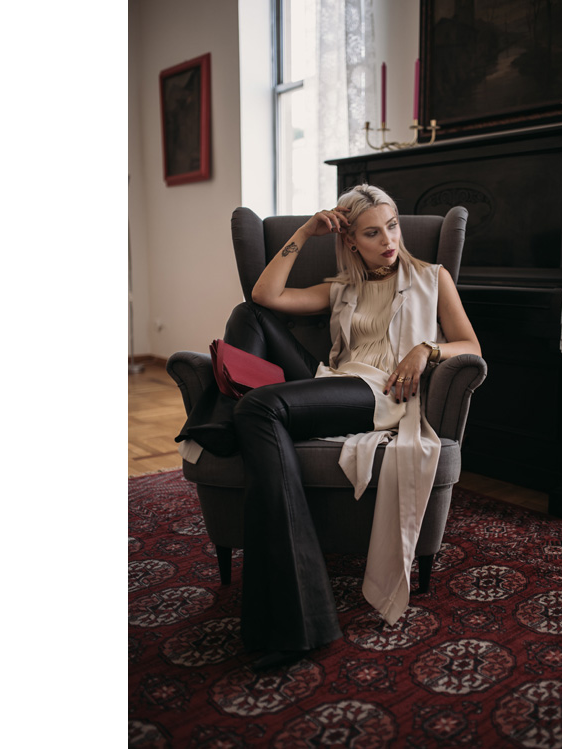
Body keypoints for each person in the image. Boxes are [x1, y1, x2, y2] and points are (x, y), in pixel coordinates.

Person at [178, 184, 481, 670]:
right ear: (350, 241)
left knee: (257, 408)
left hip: (379, 393)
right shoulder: (342, 288)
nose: (388, 240)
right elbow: (264, 294)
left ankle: (225, 423)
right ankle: (232, 418)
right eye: (372, 233)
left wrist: (426, 350)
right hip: (332, 381)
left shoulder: (433, 277)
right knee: (248, 313)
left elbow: (472, 346)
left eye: (392, 226)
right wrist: (306, 230)